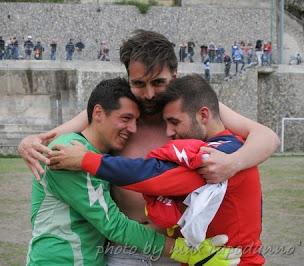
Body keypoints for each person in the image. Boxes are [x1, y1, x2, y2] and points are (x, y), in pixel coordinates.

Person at [18, 30, 279, 265]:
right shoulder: (120, 111)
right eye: (139, 84)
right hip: (124, 247)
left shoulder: (191, 108)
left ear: (174, 76)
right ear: (129, 79)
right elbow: (55, 137)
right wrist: (29, 141)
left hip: (175, 245)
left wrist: (232, 163)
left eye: (158, 82)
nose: (150, 94)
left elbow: (267, 137)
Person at [49, 74, 265, 265]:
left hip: (231, 260)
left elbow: (156, 175)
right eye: (139, 82)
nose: (169, 132)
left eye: (174, 122)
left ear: (203, 115)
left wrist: (87, 160)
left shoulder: (223, 153)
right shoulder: (229, 147)